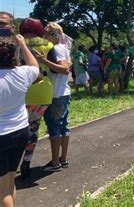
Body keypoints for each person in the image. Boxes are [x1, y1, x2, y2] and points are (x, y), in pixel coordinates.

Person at [0, 34, 40, 207]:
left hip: (1, 135)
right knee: (10, 181)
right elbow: (35, 65)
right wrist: (23, 45)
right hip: (20, 131)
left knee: (1, 189)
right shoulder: (23, 73)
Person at [18, 18, 54, 178]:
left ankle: (10, 161)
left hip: (20, 90)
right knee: (33, 127)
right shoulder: (48, 45)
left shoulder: (15, 43)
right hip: (43, 91)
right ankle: (26, 162)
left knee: (14, 128)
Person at [40, 23, 72, 172]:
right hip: (63, 93)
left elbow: (64, 70)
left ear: (52, 35)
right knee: (63, 127)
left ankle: (55, 163)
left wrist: (43, 61)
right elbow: (68, 65)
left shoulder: (56, 49)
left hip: (56, 94)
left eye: (46, 33)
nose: (43, 37)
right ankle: (63, 159)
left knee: (54, 129)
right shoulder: (65, 48)